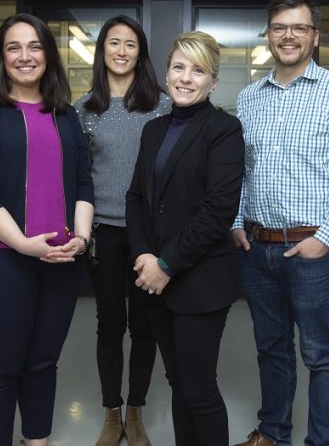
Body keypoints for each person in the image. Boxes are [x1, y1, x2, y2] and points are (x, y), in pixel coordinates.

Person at [231, 0, 329, 446]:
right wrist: (236, 223)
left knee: (322, 354)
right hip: (257, 248)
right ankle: (273, 432)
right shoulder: (249, 97)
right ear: (268, 35)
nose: (287, 36)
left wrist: (324, 239)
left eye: (298, 28)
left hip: (312, 250)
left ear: (315, 36)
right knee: (271, 349)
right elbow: (242, 172)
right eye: (279, 28)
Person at [0, 13, 94, 446]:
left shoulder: (65, 115)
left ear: (48, 54)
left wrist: (82, 240)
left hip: (61, 261)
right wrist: (22, 244)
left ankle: (37, 441)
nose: (25, 56)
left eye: (34, 46)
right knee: (1, 366)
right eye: (14, 47)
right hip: (0, 259)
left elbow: (84, 182)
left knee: (43, 363)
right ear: (1, 57)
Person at [127, 31, 245, 446]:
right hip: (154, 281)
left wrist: (165, 264)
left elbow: (217, 212)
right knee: (178, 382)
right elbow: (137, 198)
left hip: (199, 281)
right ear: (167, 73)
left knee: (198, 389)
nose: (186, 78)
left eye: (198, 71)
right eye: (179, 67)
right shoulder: (154, 131)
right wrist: (143, 254)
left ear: (213, 82)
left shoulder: (225, 130)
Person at [73, 15, 170, 446]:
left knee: (145, 327)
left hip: (148, 235)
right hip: (104, 234)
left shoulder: (163, 105)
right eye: (113, 42)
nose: (121, 51)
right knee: (110, 326)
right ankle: (111, 414)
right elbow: (77, 177)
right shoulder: (84, 110)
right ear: (102, 51)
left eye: (131, 44)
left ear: (140, 53)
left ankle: (136, 412)